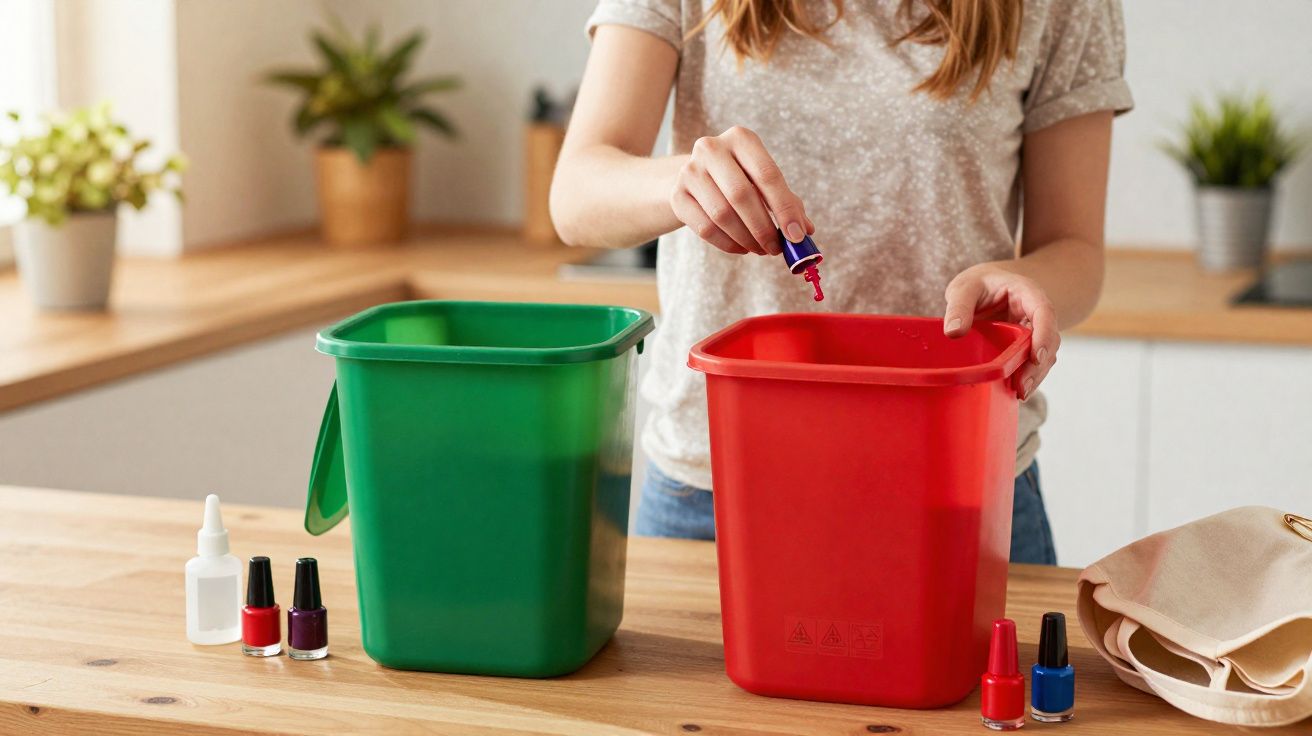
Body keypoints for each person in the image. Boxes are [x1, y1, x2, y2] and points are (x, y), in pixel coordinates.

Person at [550, 0, 1133, 564]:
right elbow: (576, 196)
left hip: (959, 483)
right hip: (714, 487)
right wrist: (682, 183)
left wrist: (1021, 280)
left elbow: (1076, 251)